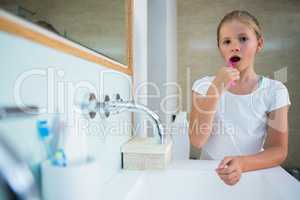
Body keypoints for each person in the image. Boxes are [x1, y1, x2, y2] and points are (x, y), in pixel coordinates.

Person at [189, 10, 291, 186]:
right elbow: (197, 140)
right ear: (220, 48)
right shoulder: (203, 86)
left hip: (251, 174)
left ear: (259, 44)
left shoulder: (275, 91)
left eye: (243, 39)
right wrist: (216, 87)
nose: (234, 46)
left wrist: (242, 164)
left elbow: (278, 150)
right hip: (207, 176)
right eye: (226, 41)